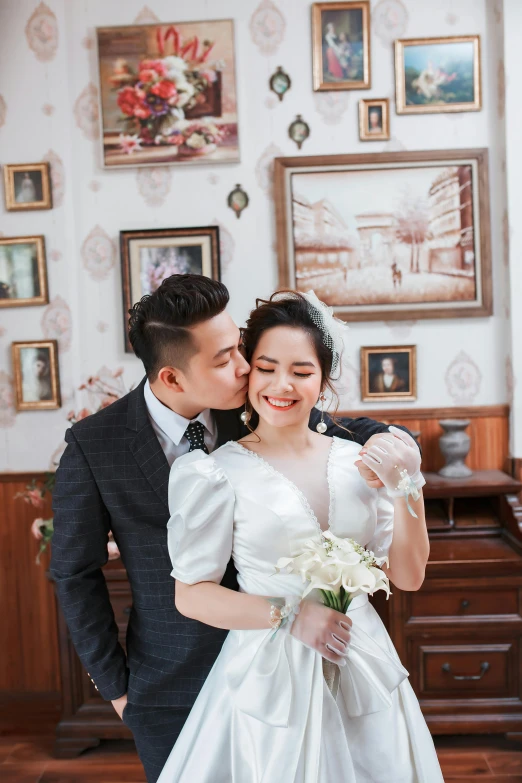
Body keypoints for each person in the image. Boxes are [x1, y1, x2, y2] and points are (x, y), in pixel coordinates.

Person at [50, 275, 420, 783]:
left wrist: (398, 445)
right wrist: (117, 690)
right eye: (225, 359)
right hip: (171, 684)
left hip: (293, 665)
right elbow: (74, 575)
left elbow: (336, 427)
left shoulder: (249, 405)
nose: (246, 367)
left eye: (241, 349)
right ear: (172, 378)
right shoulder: (96, 446)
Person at [157, 290, 442, 782]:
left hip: (363, 662)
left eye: (302, 372)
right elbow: (191, 595)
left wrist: (406, 487)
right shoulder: (214, 473)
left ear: (324, 382)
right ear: (248, 370)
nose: (281, 385)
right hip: (268, 677)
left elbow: (410, 577)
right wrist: (289, 615)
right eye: (266, 368)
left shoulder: (360, 463)